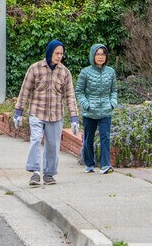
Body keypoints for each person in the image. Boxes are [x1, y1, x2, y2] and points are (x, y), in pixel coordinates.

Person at [14, 40, 79, 186]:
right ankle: (35, 172)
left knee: (53, 145)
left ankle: (49, 174)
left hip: (56, 115)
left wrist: (74, 117)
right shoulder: (35, 69)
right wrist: (18, 112)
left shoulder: (64, 72)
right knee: (35, 140)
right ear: (50, 52)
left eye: (61, 53)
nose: (59, 56)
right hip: (37, 112)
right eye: (56, 53)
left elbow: (70, 96)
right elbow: (25, 90)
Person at [76, 44, 117, 174]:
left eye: (103, 54)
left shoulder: (111, 72)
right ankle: (89, 164)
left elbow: (114, 90)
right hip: (90, 112)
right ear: (93, 56)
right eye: (98, 54)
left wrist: (112, 103)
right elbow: (79, 92)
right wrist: (86, 104)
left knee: (105, 137)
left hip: (105, 110)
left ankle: (105, 165)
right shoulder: (85, 72)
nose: (100, 57)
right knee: (89, 138)